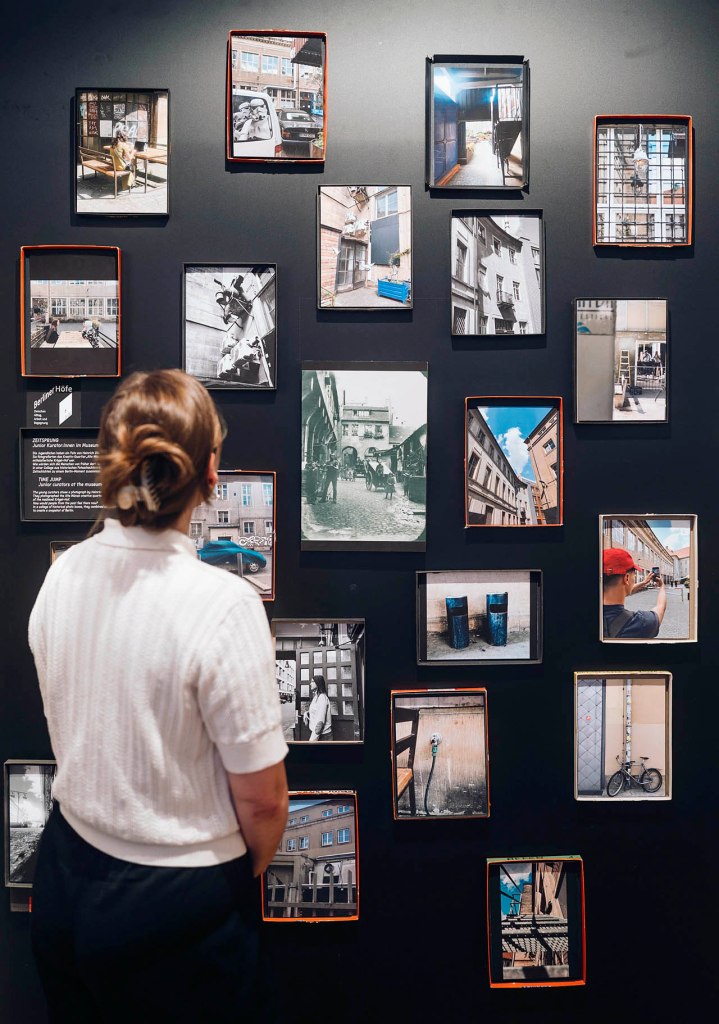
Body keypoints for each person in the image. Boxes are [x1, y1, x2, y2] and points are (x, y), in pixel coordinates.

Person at [28, 369, 289, 1022]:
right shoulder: (224, 603)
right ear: (208, 475)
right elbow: (263, 806)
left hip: (64, 879)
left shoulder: (63, 574)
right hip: (179, 909)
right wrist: (216, 878)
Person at [602, 547, 667, 639]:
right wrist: (662, 586)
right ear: (627, 578)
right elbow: (661, 607)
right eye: (634, 575)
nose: (634, 578)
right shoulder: (640, 623)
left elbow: (623, 590)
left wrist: (644, 582)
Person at [302, 675, 332, 742]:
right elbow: (316, 711)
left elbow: (320, 722)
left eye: (312, 681)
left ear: (318, 683)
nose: (310, 684)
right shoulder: (316, 696)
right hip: (317, 734)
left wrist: (312, 740)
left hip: (323, 736)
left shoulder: (322, 698)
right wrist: (306, 713)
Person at [109, 124, 137, 189]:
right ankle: (131, 183)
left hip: (114, 165)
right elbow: (129, 158)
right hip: (119, 167)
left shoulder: (113, 144)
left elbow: (119, 151)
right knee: (132, 166)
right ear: (123, 136)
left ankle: (131, 182)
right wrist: (133, 151)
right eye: (126, 136)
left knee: (128, 163)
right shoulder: (123, 145)